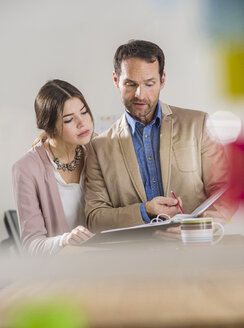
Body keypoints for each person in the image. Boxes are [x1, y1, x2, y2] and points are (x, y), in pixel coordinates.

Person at [85, 39, 230, 233]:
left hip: (196, 252)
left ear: (162, 80)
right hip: (134, 258)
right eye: (130, 84)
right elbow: (95, 218)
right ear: (115, 80)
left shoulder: (198, 124)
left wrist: (196, 229)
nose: (140, 94)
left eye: (149, 83)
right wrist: (144, 210)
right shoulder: (99, 147)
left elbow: (226, 192)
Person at [12, 79, 94, 255]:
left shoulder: (97, 148)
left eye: (84, 112)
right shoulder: (26, 169)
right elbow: (32, 245)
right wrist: (65, 240)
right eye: (69, 120)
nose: (82, 123)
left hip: (104, 262)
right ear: (50, 128)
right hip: (61, 271)